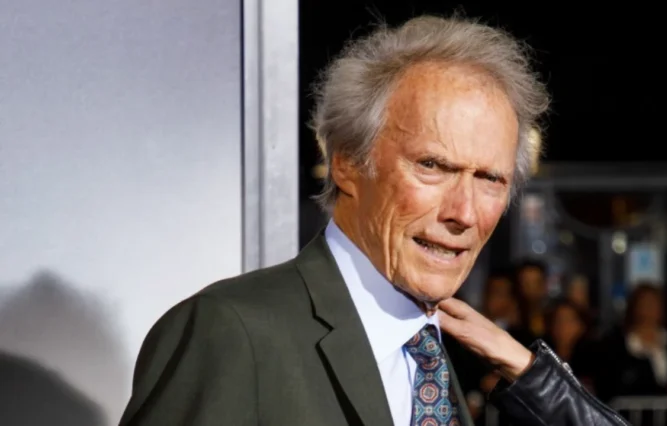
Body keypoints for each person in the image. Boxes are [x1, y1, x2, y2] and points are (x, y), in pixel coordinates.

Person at [119, 15, 629, 426]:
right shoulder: (232, 332)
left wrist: (534, 377)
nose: (464, 213)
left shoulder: (450, 353)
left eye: (490, 179)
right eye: (432, 166)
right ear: (346, 162)